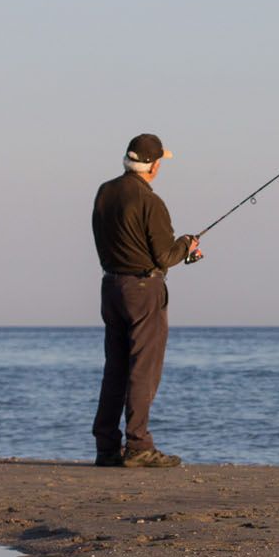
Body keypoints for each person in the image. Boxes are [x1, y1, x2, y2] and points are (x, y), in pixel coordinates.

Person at [90, 133, 202, 467]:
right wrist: (186, 244)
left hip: (111, 286)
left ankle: (106, 446)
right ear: (152, 166)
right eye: (160, 162)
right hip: (143, 290)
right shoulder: (150, 201)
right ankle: (138, 445)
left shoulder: (105, 192)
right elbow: (165, 256)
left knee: (115, 369)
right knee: (143, 369)